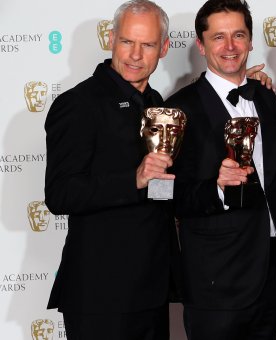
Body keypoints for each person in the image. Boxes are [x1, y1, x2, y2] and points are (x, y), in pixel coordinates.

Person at [44, 1, 177, 339]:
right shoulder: (78, 104)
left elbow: (161, 192)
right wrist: (133, 179)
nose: (135, 54)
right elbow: (60, 194)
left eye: (146, 44)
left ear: (163, 48)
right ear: (110, 39)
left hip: (152, 289)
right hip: (100, 293)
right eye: (126, 42)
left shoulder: (157, 103)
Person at [165, 0, 276, 339]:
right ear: (201, 45)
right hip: (215, 281)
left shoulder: (266, 98)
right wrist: (215, 188)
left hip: (271, 276)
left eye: (238, 35)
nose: (230, 47)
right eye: (218, 37)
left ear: (249, 42)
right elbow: (159, 193)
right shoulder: (178, 109)